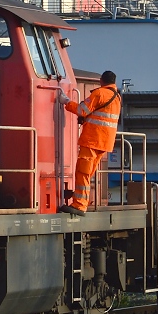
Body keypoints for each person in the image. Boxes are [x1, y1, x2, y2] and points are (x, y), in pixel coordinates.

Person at [56, 71, 120, 216]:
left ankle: (80, 204)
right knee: (88, 173)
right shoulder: (117, 97)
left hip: (93, 139)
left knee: (83, 172)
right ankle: (83, 201)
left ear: (101, 81)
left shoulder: (100, 94)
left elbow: (81, 110)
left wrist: (66, 101)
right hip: (105, 142)